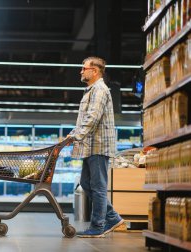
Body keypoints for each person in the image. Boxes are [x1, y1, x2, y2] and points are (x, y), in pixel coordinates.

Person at [66, 57, 124, 238]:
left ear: (95, 71)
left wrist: (77, 135)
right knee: (85, 183)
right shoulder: (91, 91)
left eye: (84, 68)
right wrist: (73, 133)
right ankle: (113, 218)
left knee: (98, 187)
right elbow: (86, 119)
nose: (81, 71)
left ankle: (98, 226)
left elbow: (93, 117)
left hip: (98, 145)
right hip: (89, 146)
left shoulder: (99, 89)